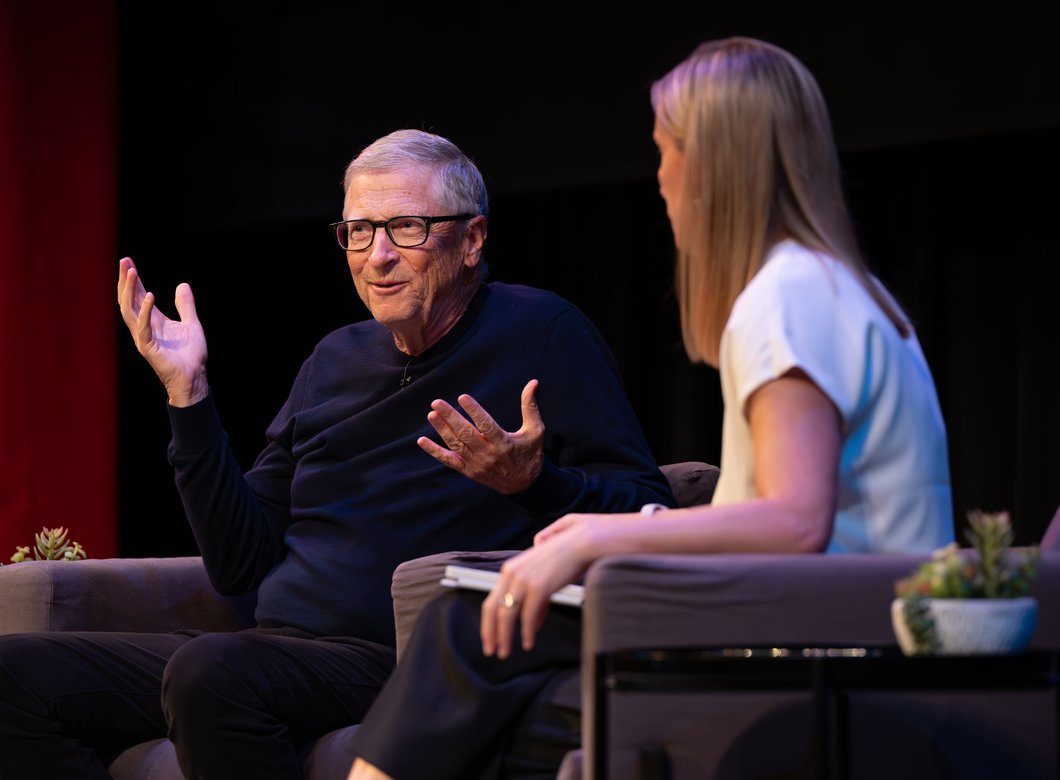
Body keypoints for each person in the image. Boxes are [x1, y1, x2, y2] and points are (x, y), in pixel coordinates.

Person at [347, 37, 955, 780]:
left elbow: (797, 520)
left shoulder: (788, 297)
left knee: (467, 627)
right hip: (835, 609)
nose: (660, 177)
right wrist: (634, 530)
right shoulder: (833, 286)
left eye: (667, 152)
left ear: (713, 164)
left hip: (828, 628)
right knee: (502, 664)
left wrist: (597, 541)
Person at [0, 129, 675, 780]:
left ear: (472, 239)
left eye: (405, 227)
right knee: (17, 679)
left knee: (214, 673)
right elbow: (240, 563)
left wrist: (535, 482)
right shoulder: (334, 359)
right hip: (280, 651)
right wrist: (190, 395)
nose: (376, 255)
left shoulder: (542, 332)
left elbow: (650, 506)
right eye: (358, 231)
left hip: (409, 656)